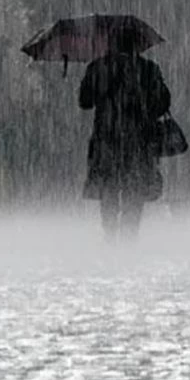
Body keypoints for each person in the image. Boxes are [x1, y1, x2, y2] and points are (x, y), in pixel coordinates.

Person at [78, 34, 171, 241]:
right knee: (134, 190)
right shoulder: (149, 69)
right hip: (139, 140)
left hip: (106, 140)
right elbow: (163, 103)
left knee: (109, 189)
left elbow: (84, 102)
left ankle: (110, 234)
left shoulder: (98, 68)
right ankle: (130, 235)